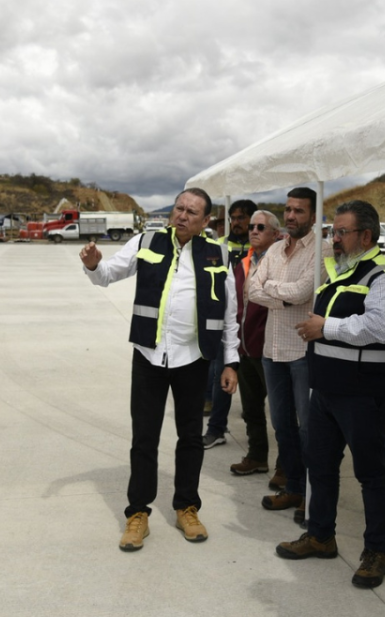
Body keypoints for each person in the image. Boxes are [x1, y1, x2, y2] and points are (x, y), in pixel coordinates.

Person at [80, 188, 240, 552]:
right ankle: (138, 514)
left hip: (194, 358)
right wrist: (92, 263)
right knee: (144, 438)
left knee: (190, 438)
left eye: (192, 212)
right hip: (150, 356)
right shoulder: (146, 240)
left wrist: (230, 361)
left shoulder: (220, 254)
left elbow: (230, 315)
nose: (182, 215)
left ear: (205, 221)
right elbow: (107, 274)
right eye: (179, 208)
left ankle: (187, 507)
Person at [275, 200, 385, 589]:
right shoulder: (338, 272)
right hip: (328, 389)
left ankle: (377, 551)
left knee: (370, 473)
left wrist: (325, 327)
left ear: (365, 236)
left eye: (341, 232)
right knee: (321, 465)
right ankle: (320, 535)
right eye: (333, 232)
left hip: (363, 393)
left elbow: (380, 327)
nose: (334, 239)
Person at [247, 187, 333, 519]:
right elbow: (251, 289)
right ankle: (295, 487)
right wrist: (280, 294)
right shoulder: (275, 249)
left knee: (308, 428)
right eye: (288, 209)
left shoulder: (322, 250)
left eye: (299, 210)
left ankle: (314, 496)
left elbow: (302, 293)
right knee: (282, 424)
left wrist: (273, 291)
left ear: (313, 216)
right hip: (273, 348)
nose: (292, 216)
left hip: (302, 351)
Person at [228, 210, 279, 476]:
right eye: (251, 226)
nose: (254, 231)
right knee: (251, 410)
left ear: (275, 234)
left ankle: (286, 467)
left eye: (261, 227)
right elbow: (235, 306)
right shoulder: (243, 263)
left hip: (270, 349)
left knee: (283, 415)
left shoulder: (280, 262)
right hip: (245, 348)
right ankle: (257, 456)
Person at [203, 199, 257, 447]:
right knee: (219, 376)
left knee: (254, 381)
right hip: (225, 323)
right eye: (233, 218)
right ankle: (216, 429)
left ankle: (253, 425)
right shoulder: (219, 247)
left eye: (241, 218)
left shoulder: (262, 247)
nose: (236, 222)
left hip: (254, 324)